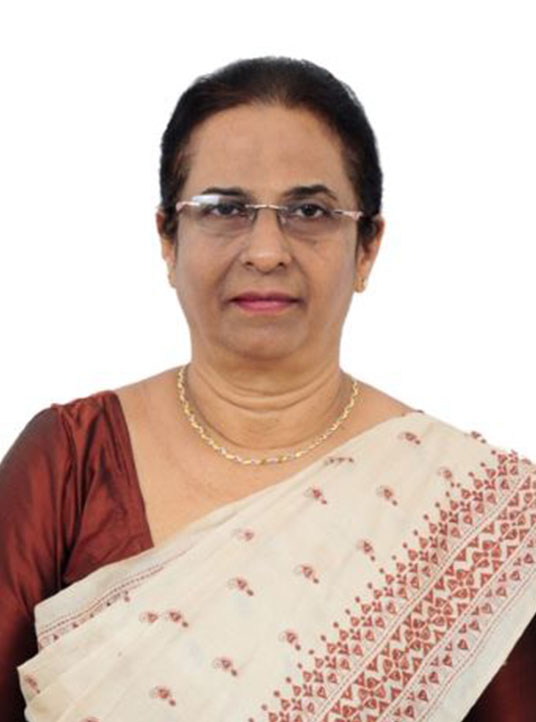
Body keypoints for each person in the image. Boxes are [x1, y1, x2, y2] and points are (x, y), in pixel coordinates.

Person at [0, 57, 534, 722]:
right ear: (168, 239)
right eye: (224, 209)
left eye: (309, 210)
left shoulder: (466, 512)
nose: (265, 251)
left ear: (367, 247)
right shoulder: (71, 462)